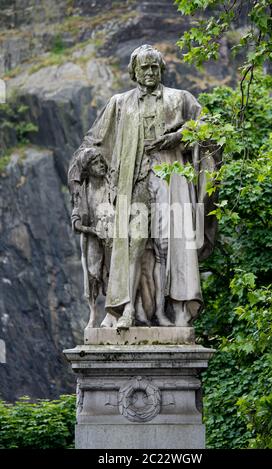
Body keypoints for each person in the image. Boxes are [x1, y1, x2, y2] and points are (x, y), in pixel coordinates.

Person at [68, 44, 219, 329]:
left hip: (170, 182)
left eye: (154, 67)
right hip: (132, 183)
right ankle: (127, 308)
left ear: (161, 69)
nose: (150, 72)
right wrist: (82, 192)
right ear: (134, 72)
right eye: (144, 68)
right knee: (134, 245)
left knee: (168, 245)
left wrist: (180, 136)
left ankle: (169, 311)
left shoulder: (181, 99)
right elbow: (92, 146)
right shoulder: (119, 103)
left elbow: (209, 130)